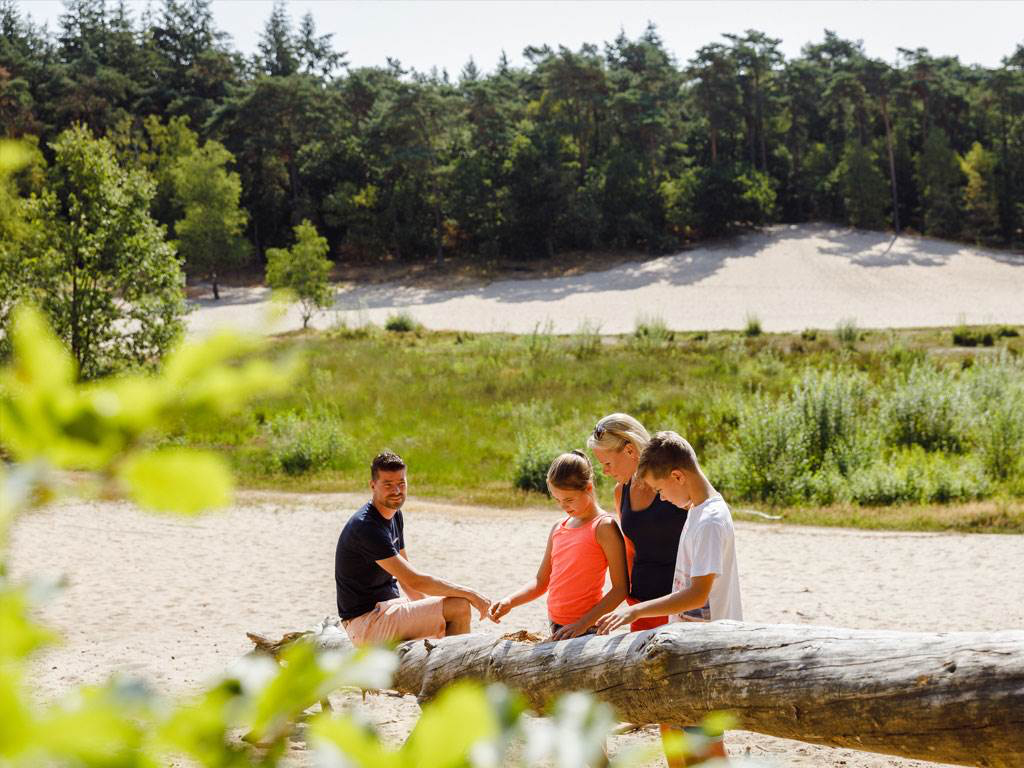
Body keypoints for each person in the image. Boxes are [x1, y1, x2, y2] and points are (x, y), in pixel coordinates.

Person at [597, 431, 742, 765]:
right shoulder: (697, 510)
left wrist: (637, 612)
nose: (661, 498)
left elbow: (698, 593)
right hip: (691, 645)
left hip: (708, 649)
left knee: (705, 750)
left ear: (678, 476)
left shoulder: (709, 520)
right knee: (688, 742)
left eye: (661, 489)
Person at [335, 450, 492, 645]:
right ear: (372, 485)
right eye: (388, 485)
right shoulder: (367, 526)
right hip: (367, 623)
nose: (397, 491)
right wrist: (471, 594)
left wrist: (427, 609)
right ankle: (455, 673)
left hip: (389, 611)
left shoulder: (394, 515)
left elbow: (406, 581)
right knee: (459, 607)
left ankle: (446, 665)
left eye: (401, 483)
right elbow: (415, 580)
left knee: (445, 616)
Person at [489, 451, 628, 640]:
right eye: (557, 500)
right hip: (556, 624)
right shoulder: (558, 527)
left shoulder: (603, 527)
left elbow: (620, 589)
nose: (564, 506)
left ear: (588, 488)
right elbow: (541, 582)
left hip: (587, 629)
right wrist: (510, 601)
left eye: (569, 500)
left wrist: (582, 624)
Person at [588, 413, 689, 630]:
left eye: (607, 463)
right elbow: (630, 549)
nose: (605, 471)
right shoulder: (620, 492)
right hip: (639, 606)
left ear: (630, 450)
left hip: (677, 606)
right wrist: (630, 599)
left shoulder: (673, 482)